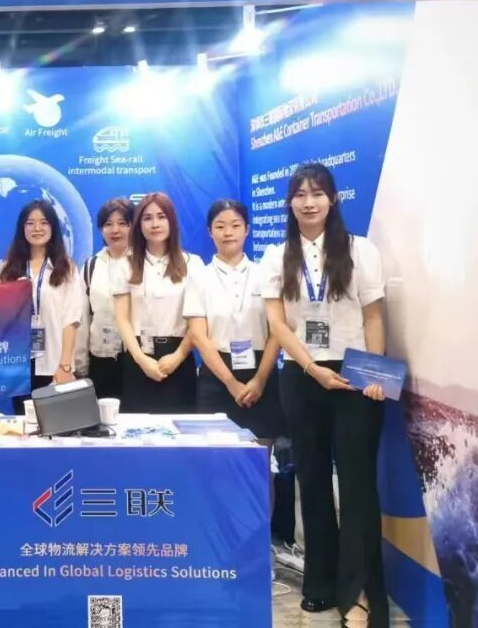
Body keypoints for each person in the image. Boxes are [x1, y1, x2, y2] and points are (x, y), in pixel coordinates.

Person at [262, 162, 387, 626]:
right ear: (290, 203)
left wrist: (376, 373)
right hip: (302, 373)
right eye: (300, 194)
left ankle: (359, 593)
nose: (309, 202)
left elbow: (373, 316)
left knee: (356, 487)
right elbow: (277, 323)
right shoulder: (276, 256)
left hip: (356, 376)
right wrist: (312, 368)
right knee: (311, 481)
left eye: (317, 193)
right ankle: (320, 584)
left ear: (333, 199)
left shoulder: (360, 250)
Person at [185, 199, 284, 440]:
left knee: (262, 452)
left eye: (235, 225)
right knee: (214, 452)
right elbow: (198, 335)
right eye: (220, 226)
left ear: (247, 230)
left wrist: (260, 380)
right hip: (217, 374)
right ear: (210, 232)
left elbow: (277, 331)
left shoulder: (265, 274)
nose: (228, 232)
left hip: (261, 372)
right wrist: (230, 382)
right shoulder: (199, 277)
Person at [111, 192, 203, 414]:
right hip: (138, 356)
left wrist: (178, 357)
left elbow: (197, 323)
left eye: (161, 217)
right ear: (139, 225)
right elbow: (121, 318)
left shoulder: (193, 264)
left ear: (171, 221)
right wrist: (141, 360)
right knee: (136, 428)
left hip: (179, 357)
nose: (155, 224)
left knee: (180, 429)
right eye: (148, 218)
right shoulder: (125, 264)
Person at [0, 199, 83, 412]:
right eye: (30, 223)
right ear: (22, 228)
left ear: (53, 227)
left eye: (44, 222)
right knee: (23, 423)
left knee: (56, 423)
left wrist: (65, 365)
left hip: (54, 361)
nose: (37, 228)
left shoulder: (66, 268)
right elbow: (0, 316)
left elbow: (71, 319)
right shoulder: (9, 268)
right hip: (19, 363)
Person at [73, 198, 132, 399]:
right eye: (108, 224)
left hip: (138, 359)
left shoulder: (144, 263)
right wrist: (80, 365)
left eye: (122, 223)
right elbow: (82, 319)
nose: (115, 230)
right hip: (100, 359)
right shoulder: (91, 266)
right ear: (100, 229)